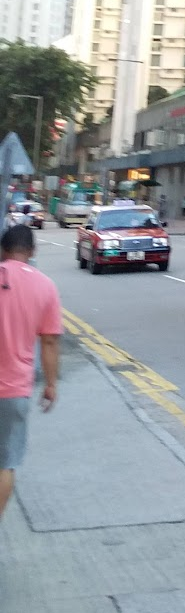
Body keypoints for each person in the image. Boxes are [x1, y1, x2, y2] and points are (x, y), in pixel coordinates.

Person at [0, 224, 61, 522]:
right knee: (5, 463)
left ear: (2, 250)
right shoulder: (45, 286)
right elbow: (49, 342)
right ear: (33, 251)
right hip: (14, 391)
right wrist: (50, 384)